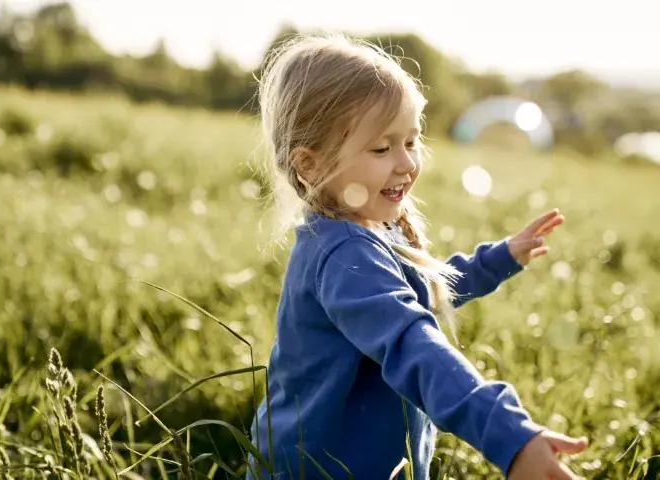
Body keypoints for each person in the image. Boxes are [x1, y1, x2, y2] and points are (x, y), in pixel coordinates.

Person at [246, 32, 588, 480]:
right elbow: (413, 345)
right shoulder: (346, 255)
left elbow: (419, 292)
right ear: (310, 165)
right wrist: (507, 434)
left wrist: (497, 258)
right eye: (382, 148)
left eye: (411, 140)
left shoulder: (361, 232)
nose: (406, 163)